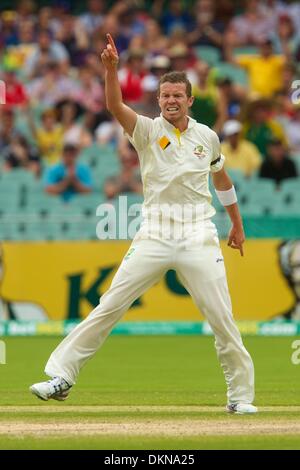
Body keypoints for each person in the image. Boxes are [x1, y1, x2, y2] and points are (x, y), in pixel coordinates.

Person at [30, 34, 257, 415]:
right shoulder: (148, 131)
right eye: (165, 95)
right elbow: (114, 105)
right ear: (159, 100)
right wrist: (111, 69)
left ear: (189, 100)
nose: (170, 100)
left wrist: (237, 226)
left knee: (222, 318)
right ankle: (61, 377)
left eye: (177, 95)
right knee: (110, 305)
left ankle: (241, 397)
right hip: (154, 233)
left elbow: (223, 181)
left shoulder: (208, 138)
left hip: (198, 233)